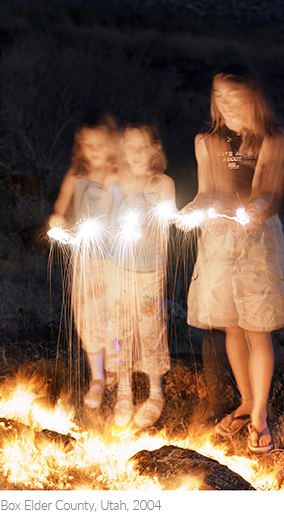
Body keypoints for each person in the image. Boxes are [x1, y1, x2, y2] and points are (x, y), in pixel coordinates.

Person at [180, 65, 284, 455]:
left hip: (257, 242)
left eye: (235, 96)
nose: (225, 103)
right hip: (218, 240)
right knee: (230, 326)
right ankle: (246, 402)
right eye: (219, 95)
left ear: (253, 97)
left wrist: (253, 211)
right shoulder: (208, 139)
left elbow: (269, 194)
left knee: (255, 327)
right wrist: (190, 211)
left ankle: (260, 416)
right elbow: (207, 191)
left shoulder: (272, 138)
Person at [48, 110, 123, 410]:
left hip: (116, 259)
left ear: (112, 144)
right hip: (86, 259)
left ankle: (117, 360)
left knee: (114, 311)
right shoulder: (76, 176)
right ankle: (97, 376)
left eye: (100, 145)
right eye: (87, 145)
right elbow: (60, 209)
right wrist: (57, 222)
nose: (93, 152)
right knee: (87, 314)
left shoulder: (120, 177)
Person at [109, 123, 176, 428]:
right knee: (121, 329)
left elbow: (167, 221)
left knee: (151, 329)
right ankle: (124, 392)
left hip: (150, 270)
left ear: (154, 150)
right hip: (120, 269)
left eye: (142, 146)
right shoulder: (117, 182)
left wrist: (148, 228)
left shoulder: (163, 184)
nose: (135, 153)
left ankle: (155, 392)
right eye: (129, 146)